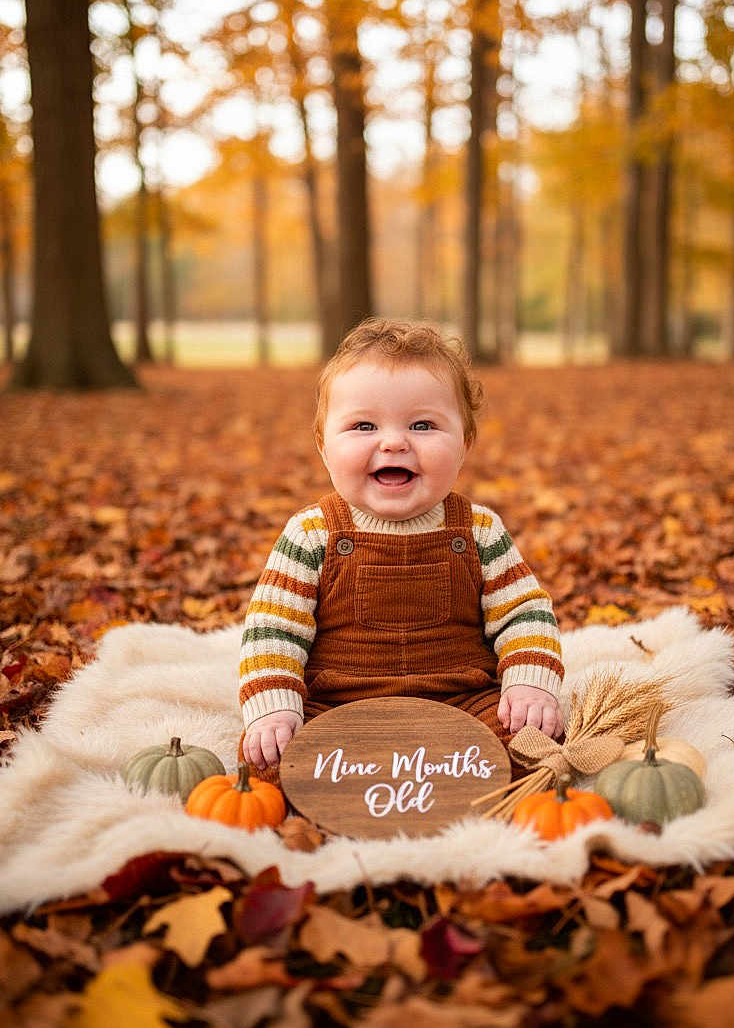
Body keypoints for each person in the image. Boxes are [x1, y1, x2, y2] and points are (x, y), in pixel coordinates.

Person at [239, 317, 565, 773]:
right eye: (364, 426)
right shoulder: (312, 533)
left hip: (462, 702)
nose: (394, 443)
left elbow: (524, 613)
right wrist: (276, 705)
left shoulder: (478, 531)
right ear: (323, 446)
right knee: (272, 759)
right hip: (338, 705)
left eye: (423, 425)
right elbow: (273, 628)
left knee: (535, 745)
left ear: (465, 443)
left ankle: (465, 787)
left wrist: (529, 684)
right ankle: (337, 799)